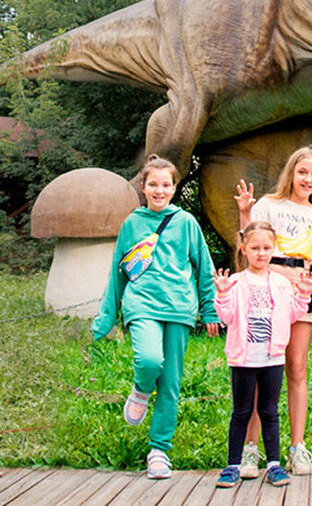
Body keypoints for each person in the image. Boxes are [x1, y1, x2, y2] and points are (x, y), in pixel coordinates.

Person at [91, 154, 220, 480]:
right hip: (142, 305)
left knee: (171, 384)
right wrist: (106, 319)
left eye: (166, 184)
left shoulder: (186, 223)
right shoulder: (132, 223)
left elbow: (204, 268)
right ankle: (140, 389)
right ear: (143, 187)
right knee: (149, 361)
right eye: (153, 185)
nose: (159, 190)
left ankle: (159, 451)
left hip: (179, 308)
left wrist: (210, 310)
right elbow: (117, 273)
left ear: (174, 188)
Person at [234, 147, 312, 477]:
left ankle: (297, 447)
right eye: (302, 172)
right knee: (257, 366)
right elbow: (251, 245)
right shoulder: (267, 205)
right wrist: (245, 212)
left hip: (303, 295)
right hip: (265, 294)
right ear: (291, 172)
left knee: (296, 367)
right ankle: (251, 449)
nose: (308, 179)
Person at [213, 222, 312, 489]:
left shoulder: (281, 283)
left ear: (274, 249)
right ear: (244, 249)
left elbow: (292, 314)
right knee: (241, 412)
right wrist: (222, 294)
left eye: (266, 248)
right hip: (244, 359)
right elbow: (226, 317)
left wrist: (303, 293)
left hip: (272, 358)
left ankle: (274, 465)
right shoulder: (235, 282)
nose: (261, 253)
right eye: (255, 248)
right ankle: (233, 465)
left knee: (269, 412)